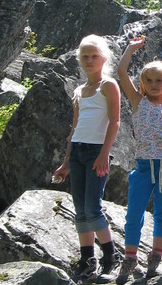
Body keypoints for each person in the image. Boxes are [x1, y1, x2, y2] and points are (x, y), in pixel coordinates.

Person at [115, 36, 162, 284]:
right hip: (144, 167)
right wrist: (131, 49)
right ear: (142, 84)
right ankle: (130, 257)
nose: (154, 84)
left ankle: (155, 258)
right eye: (149, 80)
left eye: (159, 80)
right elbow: (121, 71)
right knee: (134, 213)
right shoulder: (138, 101)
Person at [53, 35, 123, 283]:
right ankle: (87, 260)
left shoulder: (108, 86)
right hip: (78, 153)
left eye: (94, 56)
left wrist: (105, 153)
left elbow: (115, 121)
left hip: (96, 153)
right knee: (80, 211)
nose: (90, 60)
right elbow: (75, 127)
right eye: (85, 56)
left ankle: (112, 257)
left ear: (104, 58)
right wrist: (66, 162)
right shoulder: (79, 91)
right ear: (80, 60)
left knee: (93, 208)